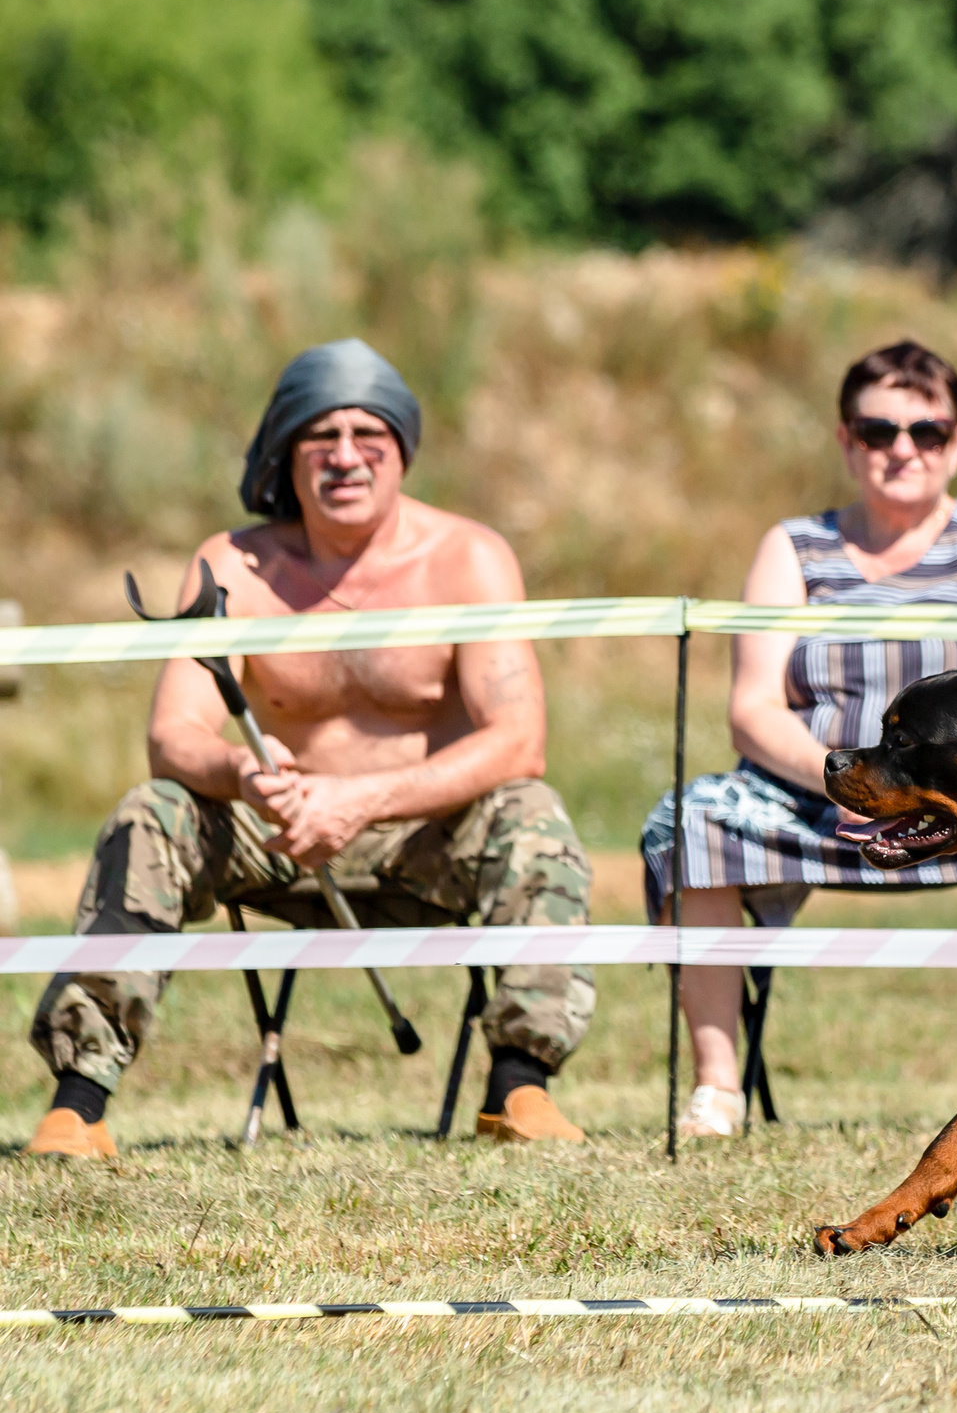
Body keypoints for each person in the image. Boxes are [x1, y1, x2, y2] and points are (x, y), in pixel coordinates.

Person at [26, 340, 597, 1158]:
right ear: (284, 453)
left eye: (370, 433)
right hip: (279, 834)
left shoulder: (469, 558)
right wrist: (244, 775)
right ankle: (79, 1103)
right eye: (319, 436)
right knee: (151, 811)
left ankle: (518, 1088)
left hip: (425, 833)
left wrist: (361, 798)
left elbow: (519, 740)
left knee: (533, 814)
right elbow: (173, 735)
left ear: (401, 448)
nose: (345, 455)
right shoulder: (232, 565)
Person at [641, 341, 957, 1141]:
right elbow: (754, 706)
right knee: (690, 819)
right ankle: (717, 1086)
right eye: (879, 429)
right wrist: (830, 777)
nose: (902, 449)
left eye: (927, 431)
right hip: (814, 799)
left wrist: (938, 803)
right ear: (846, 440)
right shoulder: (793, 545)